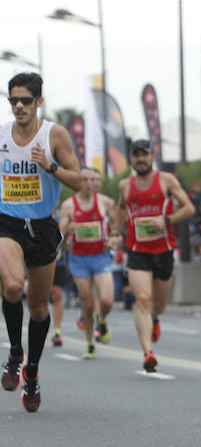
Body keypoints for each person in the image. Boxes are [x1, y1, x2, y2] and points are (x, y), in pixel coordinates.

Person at [0, 72, 82, 412]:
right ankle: (15, 352)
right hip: (8, 222)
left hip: (44, 227)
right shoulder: (2, 134)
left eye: (25, 100)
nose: (18, 106)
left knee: (37, 308)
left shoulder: (54, 135)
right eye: (13, 100)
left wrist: (49, 166)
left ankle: (31, 371)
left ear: (39, 102)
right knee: (13, 286)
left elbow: (77, 180)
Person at [111, 139, 195, 373]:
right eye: (135, 155)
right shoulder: (124, 185)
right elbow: (119, 208)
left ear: (152, 156)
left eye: (144, 155)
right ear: (131, 159)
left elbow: (189, 208)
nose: (140, 159)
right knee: (143, 299)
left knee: (158, 305)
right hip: (138, 251)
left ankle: (154, 319)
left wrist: (166, 220)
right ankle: (148, 352)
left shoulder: (166, 181)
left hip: (164, 250)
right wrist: (117, 232)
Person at [57, 167, 118, 359]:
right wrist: (68, 229)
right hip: (79, 259)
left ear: (98, 182)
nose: (89, 183)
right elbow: (59, 233)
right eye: (84, 179)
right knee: (88, 304)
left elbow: (118, 223)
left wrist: (115, 238)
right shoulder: (69, 205)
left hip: (100, 257)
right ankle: (90, 342)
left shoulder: (105, 202)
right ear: (78, 181)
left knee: (107, 300)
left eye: (93, 180)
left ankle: (102, 319)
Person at [50, 247, 70, 347]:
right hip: (39, 258)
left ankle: (57, 331)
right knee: (40, 299)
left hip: (58, 262)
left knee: (57, 295)